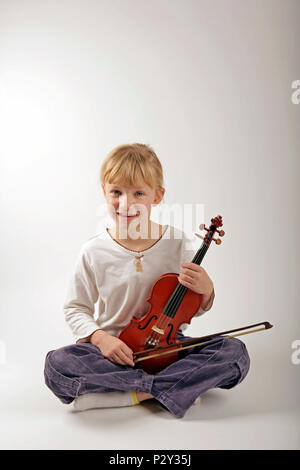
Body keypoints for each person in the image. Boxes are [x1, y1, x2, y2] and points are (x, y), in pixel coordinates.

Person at [44, 143, 250, 419]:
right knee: (57, 365)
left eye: (138, 193)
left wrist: (207, 290)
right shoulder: (93, 251)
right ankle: (170, 389)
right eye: (116, 192)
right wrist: (101, 339)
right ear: (104, 192)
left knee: (234, 353)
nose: (125, 203)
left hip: (166, 349)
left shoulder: (176, 243)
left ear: (157, 196)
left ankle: (127, 395)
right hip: (112, 353)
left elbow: (192, 307)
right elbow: (75, 308)